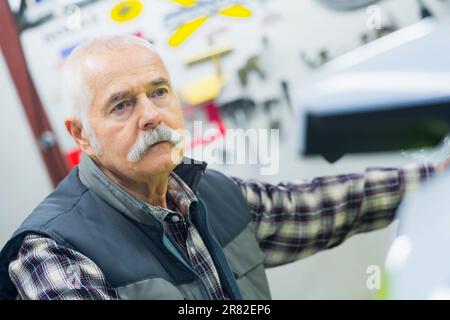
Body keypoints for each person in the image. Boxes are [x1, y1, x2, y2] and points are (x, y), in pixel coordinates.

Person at [0, 35, 445, 300]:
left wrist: (438, 176)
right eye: (121, 105)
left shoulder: (208, 195)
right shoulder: (52, 252)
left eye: (159, 92)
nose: (151, 114)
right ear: (81, 135)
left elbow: (325, 204)